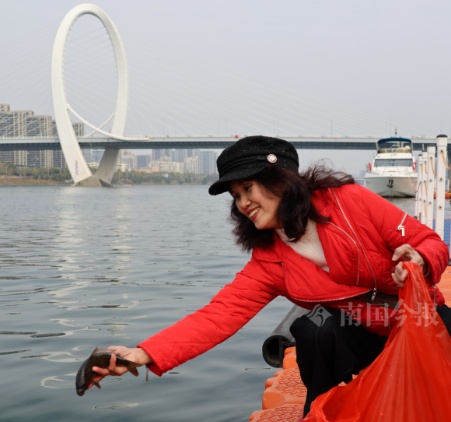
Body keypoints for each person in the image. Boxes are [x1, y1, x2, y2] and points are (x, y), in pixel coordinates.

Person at [88, 135, 451, 416]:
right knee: (313, 329)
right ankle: (321, 412)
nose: (242, 203)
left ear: (281, 181)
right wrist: (142, 353)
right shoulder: (269, 261)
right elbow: (217, 317)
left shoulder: (349, 200)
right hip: (365, 335)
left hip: (419, 321)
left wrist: (418, 259)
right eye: (235, 195)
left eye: (248, 188)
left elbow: (430, 242)